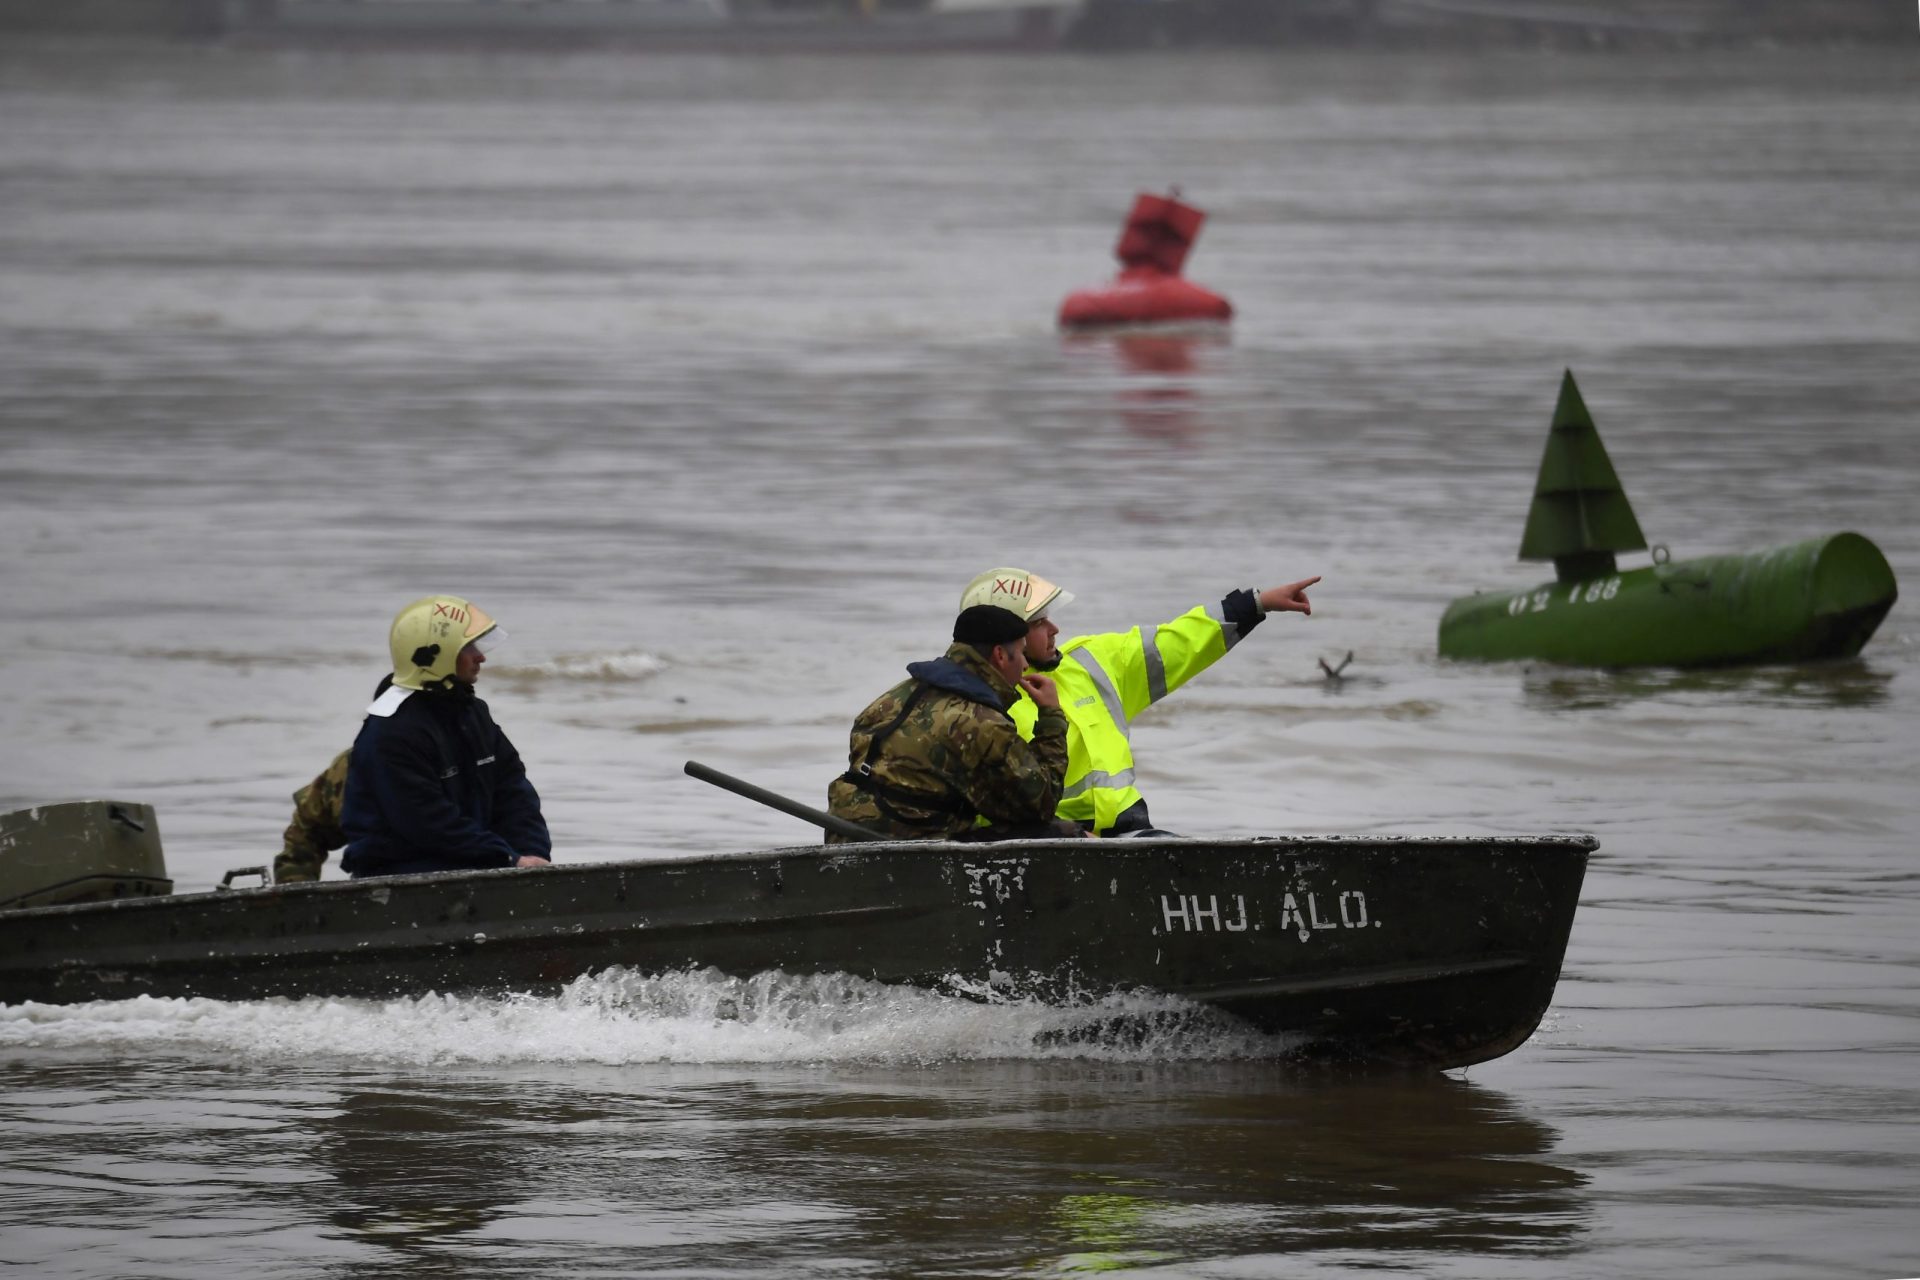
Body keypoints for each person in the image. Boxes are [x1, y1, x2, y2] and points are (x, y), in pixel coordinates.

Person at [959, 567, 1321, 836]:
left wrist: (1257, 604)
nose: (1055, 630)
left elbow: (1177, 642)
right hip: (1046, 845)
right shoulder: (974, 704)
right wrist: (1061, 834)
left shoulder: (1093, 661)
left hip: (1128, 836)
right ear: (1004, 636)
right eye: (1039, 623)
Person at [338, 596, 551, 878]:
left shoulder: (473, 713)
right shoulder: (390, 733)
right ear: (434, 655)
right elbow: (426, 822)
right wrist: (505, 858)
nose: (481, 656)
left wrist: (530, 852)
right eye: (468, 647)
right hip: (400, 877)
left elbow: (513, 789)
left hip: (477, 864)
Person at [827, 599, 1073, 844]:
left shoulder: (894, 697)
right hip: (912, 848)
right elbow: (1041, 806)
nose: (1026, 664)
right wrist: (1051, 716)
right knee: (1063, 834)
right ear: (1000, 655)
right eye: (1020, 653)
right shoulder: (981, 722)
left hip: (843, 835)